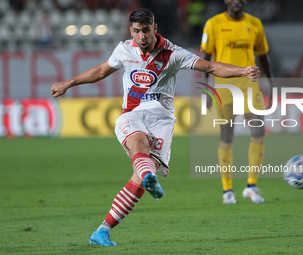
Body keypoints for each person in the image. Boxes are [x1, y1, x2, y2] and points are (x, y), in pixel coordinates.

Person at [51, 8, 260, 246]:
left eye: (146, 31)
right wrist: (69, 83)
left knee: (138, 180)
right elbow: (100, 71)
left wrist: (243, 70)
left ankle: (102, 230)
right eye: (137, 31)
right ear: (131, 31)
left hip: (162, 121)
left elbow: (211, 67)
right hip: (132, 114)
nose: (142, 37)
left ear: (155, 29)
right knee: (140, 147)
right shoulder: (124, 50)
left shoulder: (173, 53)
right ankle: (149, 174)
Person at [200, 0, 274, 204]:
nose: (237, 2)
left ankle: (251, 186)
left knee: (258, 130)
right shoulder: (213, 24)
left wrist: (273, 84)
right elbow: (205, 57)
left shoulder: (255, 24)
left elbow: (263, 56)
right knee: (227, 135)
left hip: (250, 85)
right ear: (226, 1)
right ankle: (227, 190)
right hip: (224, 87)